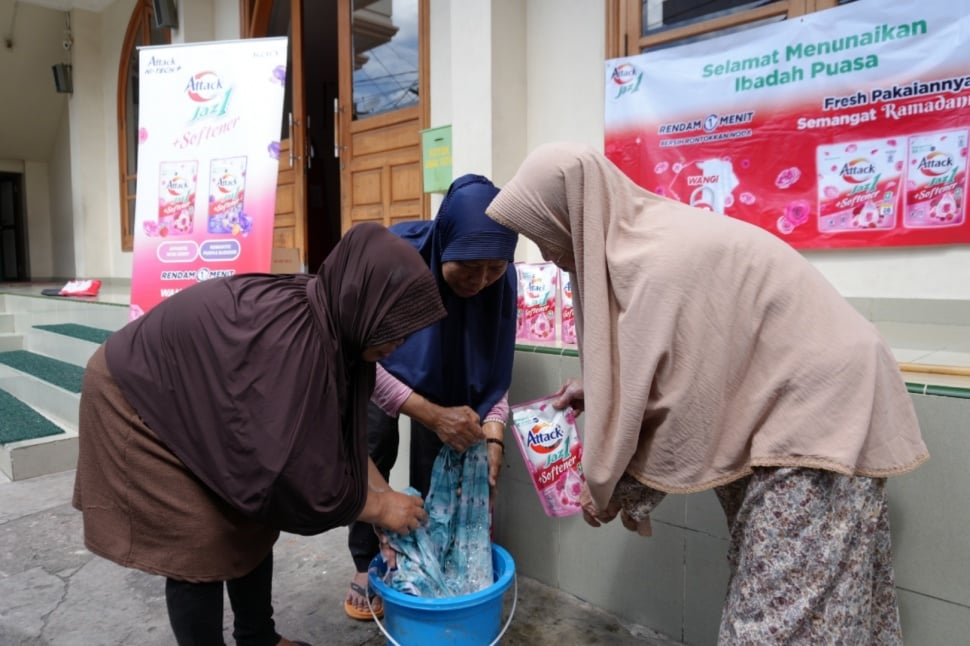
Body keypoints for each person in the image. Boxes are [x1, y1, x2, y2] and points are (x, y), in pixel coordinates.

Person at [485, 142, 929, 644]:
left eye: (546, 235)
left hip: (820, 414)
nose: (546, 254)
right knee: (817, 606)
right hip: (789, 408)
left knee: (775, 623)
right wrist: (603, 392)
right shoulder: (643, 244)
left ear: (576, 215)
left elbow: (684, 406)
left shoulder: (657, 260)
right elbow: (681, 362)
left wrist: (611, 489)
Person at [72, 222, 447, 646]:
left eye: (405, 331)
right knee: (200, 540)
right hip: (140, 396)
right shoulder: (294, 345)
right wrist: (378, 510)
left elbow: (343, 441)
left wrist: (380, 496)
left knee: (251, 518)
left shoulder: (340, 325)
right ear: (364, 303)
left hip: (198, 394)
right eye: (391, 328)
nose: (398, 342)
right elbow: (290, 475)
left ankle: (258, 638)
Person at [344, 174, 518, 620]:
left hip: (445, 382)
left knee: (437, 466)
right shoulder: (399, 260)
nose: (480, 281)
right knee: (371, 447)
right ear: (446, 244)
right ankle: (367, 563)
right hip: (381, 365)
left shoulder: (501, 280)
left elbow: (494, 373)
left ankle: (427, 558)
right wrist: (430, 413)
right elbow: (360, 362)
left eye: (494, 268)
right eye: (469, 266)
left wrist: (494, 436)